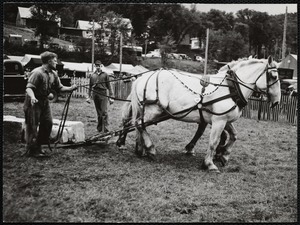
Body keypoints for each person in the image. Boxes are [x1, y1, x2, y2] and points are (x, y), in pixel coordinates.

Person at [23, 51, 77, 158]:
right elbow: (29, 88)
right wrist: (33, 97)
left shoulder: (53, 74)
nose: (56, 63)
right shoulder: (37, 73)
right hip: (33, 102)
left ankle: (39, 145)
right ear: (49, 61)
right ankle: (31, 149)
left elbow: (60, 88)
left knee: (48, 123)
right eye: (55, 61)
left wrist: (70, 88)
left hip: (45, 101)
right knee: (32, 126)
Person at [87, 60, 114, 133]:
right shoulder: (93, 75)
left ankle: (105, 128)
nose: (98, 67)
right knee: (99, 113)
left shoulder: (105, 75)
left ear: (101, 66)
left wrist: (111, 97)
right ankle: (99, 128)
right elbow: (90, 87)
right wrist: (88, 97)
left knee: (104, 112)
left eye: (99, 65)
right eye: (96, 66)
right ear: (95, 66)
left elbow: (109, 86)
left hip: (103, 93)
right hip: (95, 94)